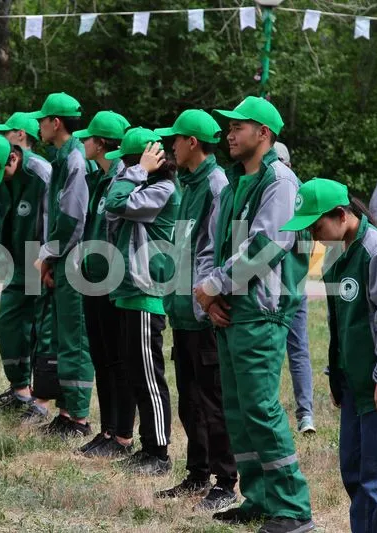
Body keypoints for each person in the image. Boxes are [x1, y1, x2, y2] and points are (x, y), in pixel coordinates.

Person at [195, 97, 314, 533]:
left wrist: (213, 287)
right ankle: (259, 498)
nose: (229, 133)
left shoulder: (279, 181)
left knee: (261, 409)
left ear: (263, 133)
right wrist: (208, 295)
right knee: (239, 410)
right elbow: (211, 246)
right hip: (229, 310)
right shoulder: (230, 184)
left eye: (238, 127)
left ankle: (294, 508)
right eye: (229, 127)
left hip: (261, 313)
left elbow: (266, 246)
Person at [282, 178, 377, 533]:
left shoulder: (376, 252)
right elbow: (344, 325)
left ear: (341, 215)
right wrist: (339, 377)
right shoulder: (340, 252)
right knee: (355, 475)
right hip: (357, 388)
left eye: (316, 225)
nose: (312, 234)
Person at [154, 110, 238, 508]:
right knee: (189, 398)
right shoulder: (186, 184)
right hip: (182, 311)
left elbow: (217, 250)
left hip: (204, 313)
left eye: (175, 138)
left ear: (191, 142)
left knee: (212, 399)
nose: (170, 145)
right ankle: (197, 472)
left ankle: (225, 481)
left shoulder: (216, 184)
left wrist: (206, 300)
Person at [104, 127, 180, 475]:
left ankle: (159, 452)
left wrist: (139, 171)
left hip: (147, 292)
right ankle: (147, 445)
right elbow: (111, 204)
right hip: (128, 290)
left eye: (128, 162)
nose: (123, 168)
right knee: (135, 373)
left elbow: (116, 202)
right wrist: (136, 173)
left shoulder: (162, 189)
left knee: (149, 377)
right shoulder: (143, 184)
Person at [28, 93, 94, 437]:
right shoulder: (60, 157)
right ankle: (67, 411)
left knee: (76, 339)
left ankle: (78, 417)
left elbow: (72, 218)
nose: (38, 125)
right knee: (63, 337)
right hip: (62, 259)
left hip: (76, 260)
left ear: (56, 123)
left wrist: (47, 254)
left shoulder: (75, 161)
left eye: (42, 119)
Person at [72, 111, 132, 457]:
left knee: (118, 359)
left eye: (88, 138)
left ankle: (123, 434)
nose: (84, 143)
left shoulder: (124, 181)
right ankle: (108, 430)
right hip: (92, 278)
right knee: (101, 357)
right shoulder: (100, 180)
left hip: (114, 281)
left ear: (102, 144)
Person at [0, 134, 53, 414]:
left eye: (4, 172)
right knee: (7, 323)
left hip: (40, 261)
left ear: (14, 157)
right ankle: (20, 389)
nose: (1, 179)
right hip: (15, 261)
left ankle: (42, 400)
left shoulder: (40, 172)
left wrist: (49, 258)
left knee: (41, 331)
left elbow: (52, 217)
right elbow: (0, 217)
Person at [275, 141, 316, 433]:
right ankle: (306, 414)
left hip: (276, 285)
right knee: (297, 348)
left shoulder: (268, 189)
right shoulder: (302, 194)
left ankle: (287, 412)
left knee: (275, 349)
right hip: (294, 283)